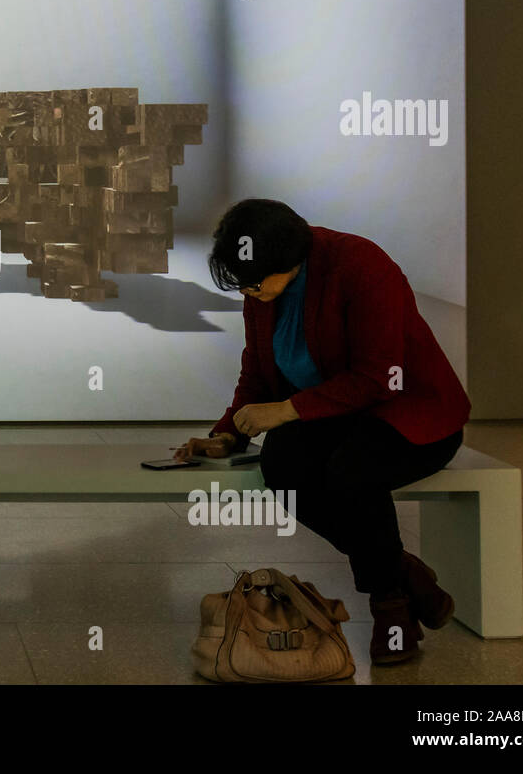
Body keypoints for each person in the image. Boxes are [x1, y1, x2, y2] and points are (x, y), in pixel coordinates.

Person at [174, 199, 470, 665]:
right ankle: (405, 574)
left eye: (255, 282)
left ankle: (390, 607)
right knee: (282, 462)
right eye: (242, 284)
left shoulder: (362, 266)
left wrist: (289, 408)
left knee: (352, 471)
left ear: (287, 260)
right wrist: (230, 432)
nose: (249, 293)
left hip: (412, 413)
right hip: (338, 417)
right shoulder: (264, 291)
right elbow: (257, 371)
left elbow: (380, 376)